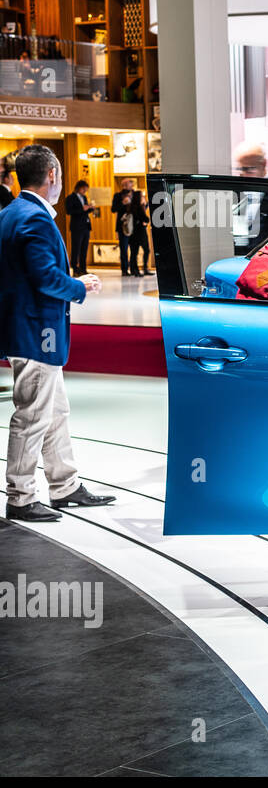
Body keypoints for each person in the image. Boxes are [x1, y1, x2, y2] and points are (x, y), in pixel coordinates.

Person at [1, 145, 116, 522]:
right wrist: (80, 286)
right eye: (61, 176)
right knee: (33, 415)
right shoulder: (34, 218)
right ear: (52, 175)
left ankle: (64, 485)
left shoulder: (11, 212)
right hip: (36, 332)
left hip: (26, 328)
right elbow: (46, 279)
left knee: (55, 412)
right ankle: (20, 496)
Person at [111, 179, 150, 276]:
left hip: (136, 226)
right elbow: (113, 209)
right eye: (129, 184)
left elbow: (141, 208)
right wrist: (123, 203)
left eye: (132, 184)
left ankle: (134, 269)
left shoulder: (137, 195)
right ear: (123, 185)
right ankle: (124, 270)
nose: (131, 186)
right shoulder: (118, 196)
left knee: (134, 249)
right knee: (124, 249)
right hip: (123, 226)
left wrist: (145, 204)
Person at [65, 180, 97, 277]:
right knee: (76, 248)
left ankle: (83, 268)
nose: (85, 191)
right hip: (76, 227)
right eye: (84, 189)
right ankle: (75, 268)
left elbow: (85, 211)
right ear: (78, 187)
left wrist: (91, 208)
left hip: (86, 226)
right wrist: (82, 209)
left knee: (84, 248)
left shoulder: (84, 197)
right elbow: (69, 211)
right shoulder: (70, 198)